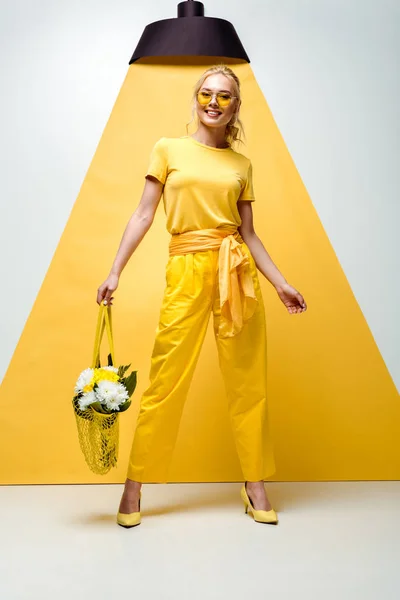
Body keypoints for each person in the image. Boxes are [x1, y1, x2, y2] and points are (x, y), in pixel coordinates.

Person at [97, 64, 307, 528]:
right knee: (165, 379)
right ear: (197, 99)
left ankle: (254, 485)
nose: (214, 102)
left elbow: (249, 234)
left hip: (237, 272)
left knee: (248, 382)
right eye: (207, 94)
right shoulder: (168, 149)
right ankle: (134, 486)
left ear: (235, 107)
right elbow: (143, 215)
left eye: (225, 96)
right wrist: (115, 271)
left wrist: (280, 282)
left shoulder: (241, 165)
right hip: (187, 267)